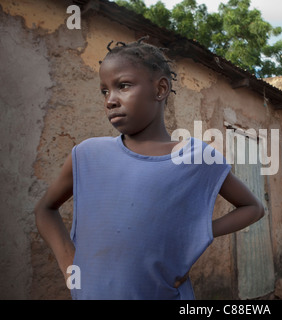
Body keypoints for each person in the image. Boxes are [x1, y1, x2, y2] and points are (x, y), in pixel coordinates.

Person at [34, 37, 265, 300]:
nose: (110, 100)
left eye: (123, 86)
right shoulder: (86, 155)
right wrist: (69, 266)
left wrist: (196, 235)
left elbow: (253, 208)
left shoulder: (196, 157)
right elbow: (45, 209)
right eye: (104, 91)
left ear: (161, 89)